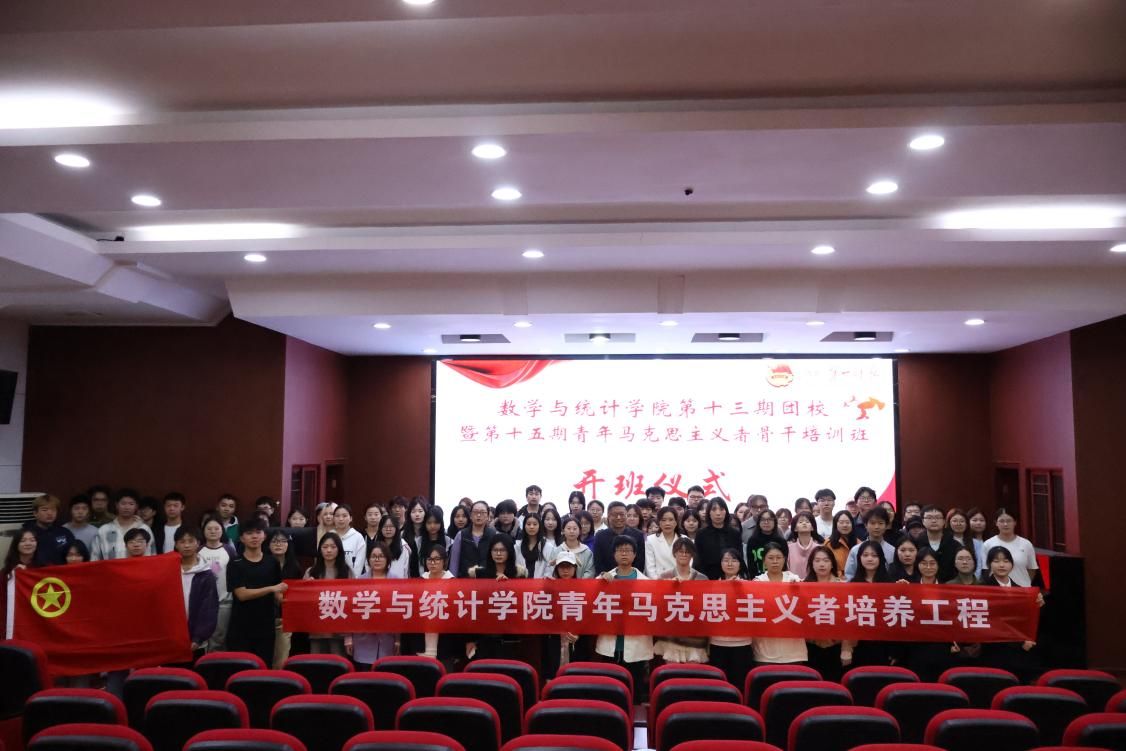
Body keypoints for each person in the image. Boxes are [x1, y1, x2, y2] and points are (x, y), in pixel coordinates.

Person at [595, 536, 653, 700]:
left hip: (636, 646)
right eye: (620, 550)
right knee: (610, 692)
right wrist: (601, 584)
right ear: (614, 554)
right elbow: (591, 605)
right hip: (610, 645)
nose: (624, 554)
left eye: (628, 550)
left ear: (635, 555)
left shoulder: (647, 583)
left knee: (634, 693)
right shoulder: (602, 580)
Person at [227, 518, 286, 666]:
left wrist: (302, 590)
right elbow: (242, 595)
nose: (254, 536)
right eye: (249, 533)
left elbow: (278, 595)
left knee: (264, 668)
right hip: (241, 627)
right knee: (241, 669)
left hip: (266, 627)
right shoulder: (235, 563)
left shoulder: (272, 562)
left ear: (264, 536)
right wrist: (271, 588)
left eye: (258, 532)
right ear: (241, 538)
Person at [980, 546, 1044, 682]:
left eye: (1006, 561)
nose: (1001, 565)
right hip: (993, 651)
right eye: (996, 561)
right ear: (989, 564)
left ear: (1012, 564)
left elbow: (1027, 620)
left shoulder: (1021, 591)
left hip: (1020, 652)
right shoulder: (982, 589)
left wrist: (1038, 604)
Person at [467, 534, 525, 660]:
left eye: (502, 550)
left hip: (510, 638)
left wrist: (508, 586)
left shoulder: (519, 575)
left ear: (509, 552)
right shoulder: (479, 574)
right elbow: (473, 608)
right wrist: (470, 639)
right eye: (495, 550)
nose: (498, 553)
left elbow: (523, 606)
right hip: (484, 637)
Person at [654, 538, 709, 664]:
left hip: (694, 637)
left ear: (692, 555)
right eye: (680, 551)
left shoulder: (702, 579)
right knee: (671, 673)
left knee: (693, 673)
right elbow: (657, 605)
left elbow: (705, 607)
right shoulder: (664, 577)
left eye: (687, 552)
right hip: (671, 637)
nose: (684, 555)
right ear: (674, 553)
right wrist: (668, 587)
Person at [752, 542, 807, 665]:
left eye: (779, 557)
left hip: (794, 652)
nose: (775, 561)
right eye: (771, 558)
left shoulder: (795, 580)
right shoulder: (757, 582)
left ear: (784, 559)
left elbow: (805, 608)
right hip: (765, 652)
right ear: (764, 561)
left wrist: (799, 590)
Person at [708, 547, 755, 687]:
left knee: (739, 683)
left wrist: (738, 589)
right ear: (720, 564)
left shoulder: (750, 586)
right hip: (718, 642)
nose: (730, 564)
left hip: (742, 642)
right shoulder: (712, 586)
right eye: (726, 560)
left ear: (740, 564)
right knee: (718, 683)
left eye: (734, 560)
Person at [303, 531, 353, 656]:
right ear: (320, 550)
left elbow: (352, 604)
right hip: (317, 629)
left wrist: (349, 635)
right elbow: (302, 602)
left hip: (339, 629)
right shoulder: (311, 572)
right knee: (317, 662)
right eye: (325, 547)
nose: (329, 550)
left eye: (333, 547)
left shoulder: (347, 572)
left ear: (339, 549)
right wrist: (307, 589)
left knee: (338, 663)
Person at [804, 546, 850, 681]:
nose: (821, 564)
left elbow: (849, 621)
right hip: (809, 647)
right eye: (817, 560)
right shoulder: (803, 587)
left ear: (832, 564)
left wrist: (846, 649)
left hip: (836, 647)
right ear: (811, 564)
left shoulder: (843, 587)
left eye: (826, 560)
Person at [352, 541, 401, 665]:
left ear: (387, 559)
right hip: (363, 639)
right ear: (368, 559)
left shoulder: (396, 581)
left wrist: (398, 639)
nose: (377, 559)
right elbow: (351, 612)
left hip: (388, 639)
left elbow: (400, 613)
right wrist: (348, 638)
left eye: (381, 556)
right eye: (373, 556)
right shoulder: (360, 581)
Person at [175, 526, 219, 658]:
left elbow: (209, 608)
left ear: (198, 543)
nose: (186, 545)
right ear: (176, 545)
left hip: (196, 640)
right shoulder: (169, 571)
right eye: (182, 541)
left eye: (191, 541)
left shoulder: (206, 574)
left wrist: (198, 638)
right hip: (173, 637)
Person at [849, 541, 893, 666]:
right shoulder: (852, 585)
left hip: (884, 644)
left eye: (874, 555)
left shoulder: (889, 584)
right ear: (859, 558)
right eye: (865, 555)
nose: (869, 559)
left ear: (881, 558)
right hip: (859, 643)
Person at [543, 550, 582, 679]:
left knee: (575, 675)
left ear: (575, 568)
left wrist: (579, 633)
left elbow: (588, 615)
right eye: (562, 566)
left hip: (575, 639)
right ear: (556, 568)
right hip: (553, 638)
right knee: (552, 671)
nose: (565, 570)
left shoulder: (583, 588)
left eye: (569, 566)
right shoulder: (549, 587)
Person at [268, 529, 304, 667]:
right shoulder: (263, 564)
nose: (279, 544)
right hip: (264, 616)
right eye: (274, 541)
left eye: (283, 541)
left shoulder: (294, 566)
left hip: (285, 619)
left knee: (281, 658)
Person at [981, 508, 1041, 587]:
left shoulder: (1026, 544)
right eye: (1001, 521)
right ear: (996, 523)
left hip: (1023, 589)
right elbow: (986, 570)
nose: (1005, 524)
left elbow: (1032, 569)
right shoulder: (988, 544)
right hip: (998, 590)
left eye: (1009, 521)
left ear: (1015, 522)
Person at [418, 543, 456, 662]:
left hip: (445, 640)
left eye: (437, 559)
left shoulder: (453, 582)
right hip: (422, 638)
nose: (433, 563)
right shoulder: (419, 582)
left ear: (444, 561)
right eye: (429, 559)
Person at [91, 488, 153, 560]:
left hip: (138, 567)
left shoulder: (145, 529)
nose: (127, 507)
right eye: (123, 503)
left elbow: (152, 555)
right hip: (111, 567)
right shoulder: (104, 530)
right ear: (116, 505)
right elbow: (95, 557)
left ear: (136, 506)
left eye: (131, 504)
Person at [694, 498, 742, 580]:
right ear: (709, 512)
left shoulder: (735, 533)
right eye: (714, 509)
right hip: (708, 578)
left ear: (726, 512)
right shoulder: (701, 534)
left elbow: (739, 557)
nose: (718, 513)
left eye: (721, 509)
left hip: (731, 577)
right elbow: (698, 560)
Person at [592, 502, 646, 575]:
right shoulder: (600, 536)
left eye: (622, 514)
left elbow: (640, 561)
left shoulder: (638, 535)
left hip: (632, 577)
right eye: (615, 515)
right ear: (608, 516)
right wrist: (605, 575)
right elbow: (598, 561)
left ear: (626, 515)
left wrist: (631, 575)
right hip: (607, 578)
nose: (618, 517)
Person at [3, 530, 39, 639]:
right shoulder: (7, 572)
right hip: (17, 619)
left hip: (38, 617)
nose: (28, 543)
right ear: (16, 545)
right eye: (23, 541)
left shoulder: (44, 567)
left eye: (32, 540)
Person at [22, 494, 75, 566]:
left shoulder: (65, 532)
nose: (50, 513)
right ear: (35, 513)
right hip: (35, 571)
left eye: (53, 510)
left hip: (60, 571)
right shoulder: (25, 534)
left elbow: (74, 554)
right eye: (44, 510)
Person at [843, 507, 896, 580]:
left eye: (880, 523)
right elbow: (849, 575)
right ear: (865, 525)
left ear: (886, 525)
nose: (876, 527)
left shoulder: (892, 551)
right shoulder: (855, 550)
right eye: (872, 523)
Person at [450, 500, 498, 578]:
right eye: (475, 512)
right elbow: (454, 563)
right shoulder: (461, 535)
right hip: (465, 581)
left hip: (488, 580)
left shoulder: (493, 535)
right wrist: (452, 581)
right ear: (470, 516)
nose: (478, 515)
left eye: (482, 512)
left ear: (488, 516)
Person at [917, 505, 961, 582]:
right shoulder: (916, 543)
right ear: (923, 521)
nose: (934, 521)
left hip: (949, 585)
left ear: (944, 521)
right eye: (929, 518)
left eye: (937, 517)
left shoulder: (955, 545)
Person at [745, 508, 787, 577]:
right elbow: (750, 564)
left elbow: (784, 564)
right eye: (763, 519)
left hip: (777, 579)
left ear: (775, 522)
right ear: (758, 522)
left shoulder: (781, 541)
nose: (766, 522)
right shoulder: (752, 541)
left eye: (769, 519)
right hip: (757, 579)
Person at [645, 507, 684, 578]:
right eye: (663, 520)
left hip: (680, 579)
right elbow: (650, 567)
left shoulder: (684, 539)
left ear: (676, 522)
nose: (667, 523)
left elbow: (689, 563)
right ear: (659, 522)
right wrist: (658, 581)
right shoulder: (651, 540)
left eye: (671, 520)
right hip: (659, 580)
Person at [331, 504, 368, 577]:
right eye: (337, 516)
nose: (341, 519)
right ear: (333, 518)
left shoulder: (358, 537)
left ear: (351, 518)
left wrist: (353, 579)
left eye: (344, 516)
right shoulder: (329, 535)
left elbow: (359, 564)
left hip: (350, 579)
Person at [786, 511, 823, 578]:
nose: (804, 523)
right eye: (800, 522)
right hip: (794, 583)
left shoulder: (819, 548)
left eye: (807, 522)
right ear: (795, 528)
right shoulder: (789, 548)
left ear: (812, 527)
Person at [514, 512, 549, 577]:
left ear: (539, 526)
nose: (531, 527)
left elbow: (549, 568)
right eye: (528, 524)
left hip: (541, 582)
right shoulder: (517, 546)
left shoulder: (547, 546)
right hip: (521, 582)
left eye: (535, 524)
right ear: (524, 526)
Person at [825, 510, 859, 574]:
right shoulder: (828, 544)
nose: (845, 525)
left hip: (856, 579)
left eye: (847, 522)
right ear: (835, 524)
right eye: (841, 522)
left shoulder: (859, 544)